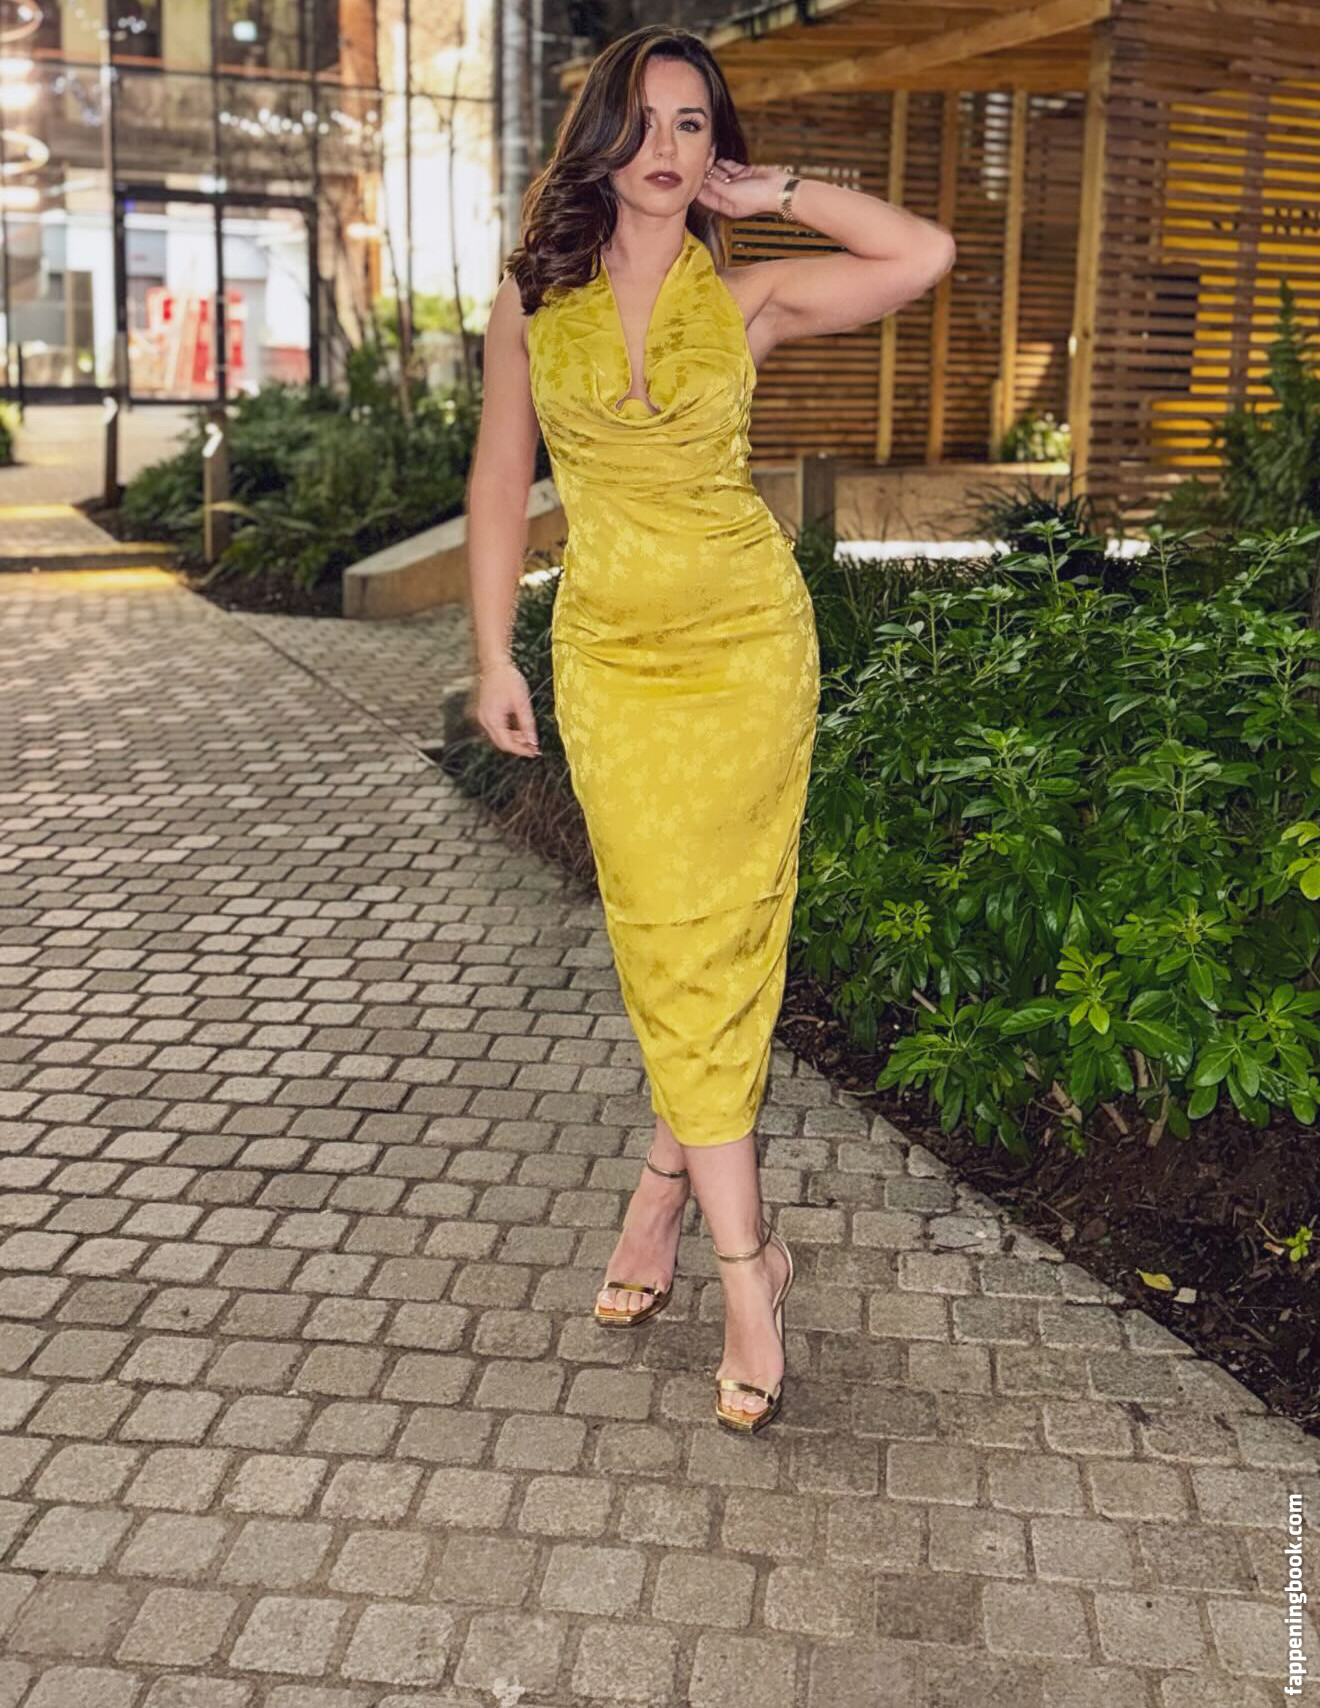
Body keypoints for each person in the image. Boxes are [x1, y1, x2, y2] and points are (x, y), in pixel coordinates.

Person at [467, 26, 954, 1434]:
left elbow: (921, 254)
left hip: (746, 652)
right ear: (600, 136)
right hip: (613, 662)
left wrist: (779, 188)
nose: (669, 148)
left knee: (718, 938)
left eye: (695, 124)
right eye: (645, 120)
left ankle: (736, 1265)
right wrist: (492, 652)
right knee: (667, 935)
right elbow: (499, 479)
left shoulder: (747, 296)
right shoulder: (530, 300)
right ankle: (691, 1206)